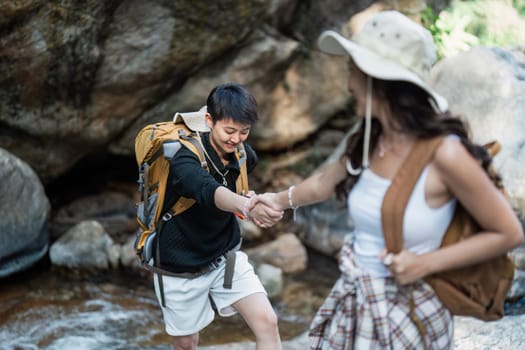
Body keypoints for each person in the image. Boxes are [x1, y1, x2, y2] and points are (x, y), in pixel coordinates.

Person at [254, 11, 524, 349]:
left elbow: (508, 232)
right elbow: (325, 182)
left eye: (353, 65)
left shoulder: (445, 154)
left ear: (375, 77)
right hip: (356, 300)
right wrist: (278, 201)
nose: (347, 75)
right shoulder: (372, 137)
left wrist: (423, 263)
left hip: (407, 315)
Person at [156, 82, 283, 350]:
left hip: (224, 256)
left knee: (267, 322)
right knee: (186, 344)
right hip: (179, 264)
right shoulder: (182, 157)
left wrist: (252, 200)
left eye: (244, 132)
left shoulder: (244, 156)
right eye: (229, 130)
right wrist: (247, 206)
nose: (236, 139)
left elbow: (238, 190)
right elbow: (208, 191)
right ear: (209, 121)